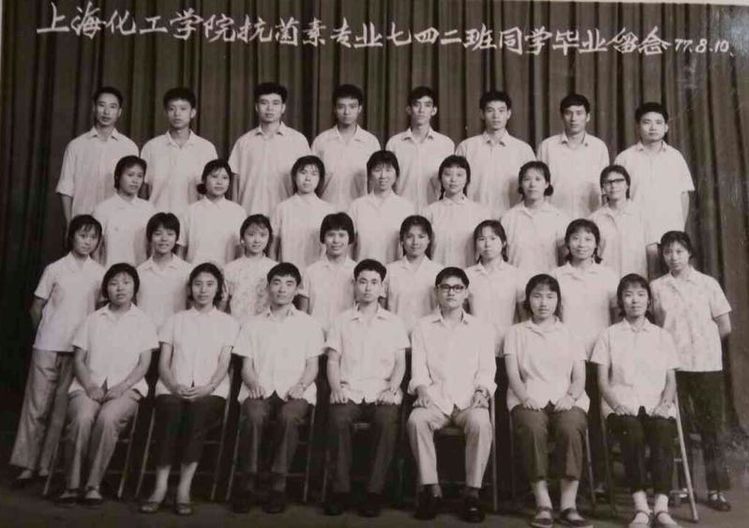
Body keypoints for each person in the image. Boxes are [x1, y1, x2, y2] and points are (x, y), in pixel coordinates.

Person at [10, 215, 104, 487]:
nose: (87, 242)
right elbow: (36, 308)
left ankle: (46, 466)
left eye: (93, 237)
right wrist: (45, 333)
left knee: (61, 410)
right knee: (36, 407)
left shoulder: (99, 273)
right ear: (71, 237)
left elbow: (98, 314)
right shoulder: (55, 269)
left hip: (78, 352)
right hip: (47, 345)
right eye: (82, 235)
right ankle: (27, 464)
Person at [139, 263, 237, 516]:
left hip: (211, 391)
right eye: (198, 284)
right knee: (170, 412)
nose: (203, 290)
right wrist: (174, 386)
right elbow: (163, 363)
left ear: (218, 289)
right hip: (172, 387)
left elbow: (224, 364)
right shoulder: (175, 320)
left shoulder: (228, 323)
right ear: (190, 288)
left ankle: (184, 488)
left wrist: (207, 388)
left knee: (198, 414)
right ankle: (160, 487)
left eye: (209, 284)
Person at [56, 263, 157, 506]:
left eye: (126, 282)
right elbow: (78, 360)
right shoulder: (92, 320)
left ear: (135, 288)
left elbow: (144, 364)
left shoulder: (143, 322)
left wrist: (122, 387)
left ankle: (93, 485)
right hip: (87, 386)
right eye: (113, 283)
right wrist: (90, 386)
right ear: (106, 289)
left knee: (108, 419)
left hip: (127, 389)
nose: (120, 288)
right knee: (82, 418)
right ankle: (72, 485)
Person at [231, 263, 324, 514]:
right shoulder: (252, 324)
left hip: (296, 391)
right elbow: (246, 366)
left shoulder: (309, 325)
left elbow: (313, 366)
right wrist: (253, 384)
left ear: (297, 289)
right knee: (253, 415)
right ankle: (247, 483)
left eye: (289, 283)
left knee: (289, 417)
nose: (282, 289)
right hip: (260, 389)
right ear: (268, 287)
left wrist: (301, 386)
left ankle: (278, 485)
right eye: (277, 282)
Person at [650, 231, 733, 512]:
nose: (673, 257)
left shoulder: (707, 284)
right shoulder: (657, 287)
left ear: (689, 253)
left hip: (707, 365)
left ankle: (716, 489)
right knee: (678, 426)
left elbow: (725, 326)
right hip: (673, 367)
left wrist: (703, 346)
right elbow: (657, 328)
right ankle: (684, 485)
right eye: (668, 252)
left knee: (712, 428)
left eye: (679, 251)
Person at [591, 274, 682, 528]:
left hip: (656, 404)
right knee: (631, 431)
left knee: (663, 429)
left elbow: (671, 380)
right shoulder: (609, 335)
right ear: (620, 301)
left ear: (649, 301)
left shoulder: (662, 336)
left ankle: (661, 508)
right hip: (620, 404)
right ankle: (641, 507)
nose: (635, 300)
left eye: (641, 294)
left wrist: (665, 404)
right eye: (628, 295)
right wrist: (616, 404)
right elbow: (602, 381)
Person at [407, 267, 496, 523]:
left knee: (481, 423)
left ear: (466, 293)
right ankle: (432, 490)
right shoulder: (423, 326)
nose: (451, 293)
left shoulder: (481, 328)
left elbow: (487, 368)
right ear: (436, 292)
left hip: (469, 399)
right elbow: (418, 369)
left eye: (457, 288)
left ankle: (472, 493)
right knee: (416, 420)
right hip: (435, 399)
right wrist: (422, 390)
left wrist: (482, 390)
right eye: (445, 287)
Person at [323, 259, 409, 517]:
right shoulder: (341, 321)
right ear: (355, 285)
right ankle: (340, 490)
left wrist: (392, 389)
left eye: (374, 282)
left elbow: (400, 363)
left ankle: (374, 491)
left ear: (382, 287)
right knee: (338, 420)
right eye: (363, 282)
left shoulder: (394, 322)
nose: (368, 288)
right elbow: (333, 360)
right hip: (349, 390)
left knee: (386, 422)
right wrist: (336, 388)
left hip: (382, 392)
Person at [505, 274, 592, 528]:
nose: (543, 303)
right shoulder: (516, 332)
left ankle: (568, 505)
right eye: (537, 296)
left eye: (550, 297)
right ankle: (543, 502)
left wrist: (570, 397)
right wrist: (525, 397)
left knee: (570, 428)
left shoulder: (570, 333)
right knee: (532, 428)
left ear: (558, 301)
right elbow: (513, 374)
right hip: (527, 396)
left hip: (566, 397)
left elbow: (579, 377)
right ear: (528, 300)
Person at [551, 219, 619, 492]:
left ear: (597, 245)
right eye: (576, 238)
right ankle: (569, 481)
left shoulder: (609, 276)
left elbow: (616, 317)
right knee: (570, 416)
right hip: (566, 358)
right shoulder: (556, 276)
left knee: (598, 420)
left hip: (600, 356)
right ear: (567, 244)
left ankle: (600, 480)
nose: (581, 244)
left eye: (588, 239)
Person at [56, 86, 139, 224]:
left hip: (117, 222)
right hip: (82, 222)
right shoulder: (76, 146)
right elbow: (66, 188)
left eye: (112, 107)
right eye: (102, 105)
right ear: (94, 108)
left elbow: (134, 189)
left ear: (119, 112)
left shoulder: (129, 147)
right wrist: (70, 224)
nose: (106, 112)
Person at [614, 102, 694, 242]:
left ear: (666, 127)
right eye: (647, 122)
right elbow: (615, 197)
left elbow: (683, 195)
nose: (653, 127)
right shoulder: (625, 158)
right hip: (635, 232)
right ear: (637, 127)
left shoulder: (675, 157)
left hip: (670, 232)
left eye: (658, 122)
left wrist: (679, 228)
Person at [229, 82, 311, 216]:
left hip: (287, 216)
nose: (269, 108)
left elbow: (308, 181)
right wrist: (235, 215)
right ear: (256, 107)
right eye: (264, 103)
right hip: (249, 215)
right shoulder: (243, 142)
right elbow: (235, 184)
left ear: (283, 107)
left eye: (275, 103)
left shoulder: (298, 141)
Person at [140, 87, 218, 217]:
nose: (177, 114)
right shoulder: (151, 147)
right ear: (166, 112)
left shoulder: (206, 148)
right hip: (157, 221)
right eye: (172, 109)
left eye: (183, 109)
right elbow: (143, 189)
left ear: (192, 113)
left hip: (194, 220)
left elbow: (213, 191)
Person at [456, 90, 535, 217]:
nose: (496, 116)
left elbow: (533, 187)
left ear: (508, 114)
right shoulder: (467, 147)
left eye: (501, 111)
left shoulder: (523, 149)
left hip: (512, 218)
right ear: (482, 114)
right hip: (473, 218)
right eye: (490, 110)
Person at [537, 93, 610, 219]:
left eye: (579, 113)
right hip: (553, 218)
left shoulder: (599, 147)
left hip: (591, 218)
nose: (573, 118)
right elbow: (538, 185)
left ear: (588, 117)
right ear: (562, 116)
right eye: (568, 113)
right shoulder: (547, 146)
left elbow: (605, 188)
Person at [312, 84, 381, 210]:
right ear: (334, 109)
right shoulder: (321, 141)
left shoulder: (370, 142)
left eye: (352, 106)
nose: (346, 112)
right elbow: (311, 179)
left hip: (361, 212)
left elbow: (376, 181)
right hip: (326, 211)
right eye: (341, 107)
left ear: (360, 108)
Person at [385, 86, 455, 210]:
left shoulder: (446, 144)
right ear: (409, 109)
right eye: (417, 105)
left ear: (434, 110)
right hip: (400, 211)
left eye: (427, 105)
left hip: (435, 211)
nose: (422, 110)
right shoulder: (394, 143)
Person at [465, 220, 525, 355]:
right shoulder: (467, 275)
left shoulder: (516, 274)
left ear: (503, 243)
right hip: (475, 348)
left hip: (508, 348)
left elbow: (523, 317)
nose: (487, 244)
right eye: (481, 239)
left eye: (493, 238)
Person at [589, 165, 658, 279]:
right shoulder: (594, 219)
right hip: (605, 282)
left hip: (636, 282)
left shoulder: (643, 215)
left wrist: (651, 280)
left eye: (619, 181)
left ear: (627, 185)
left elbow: (652, 252)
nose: (613, 186)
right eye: (608, 182)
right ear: (603, 188)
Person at [501, 161, 569, 275]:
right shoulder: (508, 218)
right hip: (515, 281)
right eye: (527, 179)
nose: (532, 184)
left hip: (547, 282)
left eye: (538, 179)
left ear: (546, 184)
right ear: (521, 184)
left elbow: (565, 257)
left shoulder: (559, 217)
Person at [348, 150, 415, 264]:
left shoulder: (406, 207)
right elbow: (349, 246)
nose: (383, 176)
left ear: (396, 174)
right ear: (369, 175)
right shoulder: (357, 206)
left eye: (388, 170)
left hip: (395, 272)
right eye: (377, 170)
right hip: (363, 272)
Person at [424, 155, 491, 268]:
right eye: (447, 174)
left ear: (467, 179)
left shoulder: (480, 212)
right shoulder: (429, 212)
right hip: (437, 274)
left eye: (459, 175)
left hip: (469, 274)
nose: (453, 179)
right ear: (440, 178)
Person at [177, 159, 246, 267]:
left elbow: (241, 250)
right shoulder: (190, 211)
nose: (219, 182)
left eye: (225, 178)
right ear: (204, 180)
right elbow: (181, 250)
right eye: (214, 176)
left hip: (227, 273)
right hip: (194, 273)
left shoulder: (238, 212)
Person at [271, 155, 334, 269]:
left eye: (314, 174)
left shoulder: (328, 210)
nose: (308, 178)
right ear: (294, 176)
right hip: (288, 274)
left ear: (320, 179)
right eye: (303, 172)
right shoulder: (282, 208)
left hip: (318, 273)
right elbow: (273, 248)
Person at [297, 212, 357, 333]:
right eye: (331, 235)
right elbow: (302, 314)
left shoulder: (357, 272)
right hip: (314, 335)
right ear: (323, 238)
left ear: (350, 238)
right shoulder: (310, 272)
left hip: (347, 335)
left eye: (341, 235)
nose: (336, 240)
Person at [384, 215, 443, 334]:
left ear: (429, 240)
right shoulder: (389, 271)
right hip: (395, 336)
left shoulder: (438, 271)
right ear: (402, 240)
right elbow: (381, 308)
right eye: (409, 237)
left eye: (421, 236)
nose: (415, 242)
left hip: (430, 336)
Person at [93, 155, 154, 268]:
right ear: (118, 176)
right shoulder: (102, 209)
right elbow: (95, 251)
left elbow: (152, 248)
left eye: (139, 176)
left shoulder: (149, 209)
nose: (135, 180)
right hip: (109, 273)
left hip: (140, 272)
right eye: (130, 175)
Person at [136, 212, 192, 330]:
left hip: (177, 334)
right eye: (158, 234)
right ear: (149, 237)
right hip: (145, 335)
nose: (164, 239)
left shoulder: (187, 271)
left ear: (177, 238)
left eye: (170, 234)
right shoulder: (139, 272)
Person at [224, 215, 277, 322]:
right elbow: (223, 304)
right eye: (251, 235)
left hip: (265, 325)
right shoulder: (229, 269)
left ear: (269, 239)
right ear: (242, 238)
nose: (257, 240)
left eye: (262, 235)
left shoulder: (274, 268)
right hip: (237, 323)